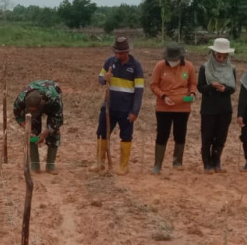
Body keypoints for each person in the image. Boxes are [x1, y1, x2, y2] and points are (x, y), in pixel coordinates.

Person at [93, 36, 144, 175]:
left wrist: (135, 111)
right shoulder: (109, 62)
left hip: (126, 109)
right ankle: (99, 162)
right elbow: (100, 79)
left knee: (126, 136)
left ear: (127, 52)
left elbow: (139, 90)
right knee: (101, 133)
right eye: (116, 52)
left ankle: (123, 165)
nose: (117, 55)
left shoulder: (136, 66)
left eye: (120, 53)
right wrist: (104, 79)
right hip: (109, 106)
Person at [149, 43, 198, 174]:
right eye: (170, 60)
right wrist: (163, 96)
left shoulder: (189, 66)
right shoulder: (160, 66)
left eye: (175, 60)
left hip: (183, 107)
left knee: (180, 133)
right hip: (163, 107)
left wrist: (192, 94)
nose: (173, 62)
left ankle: (177, 161)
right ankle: (157, 164)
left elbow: (193, 83)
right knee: (162, 134)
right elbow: (153, 85)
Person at [197, 38, 237, 174]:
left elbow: (233, 88)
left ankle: (217, 162)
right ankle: (207, 164)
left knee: (221, 137)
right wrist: (210, 86)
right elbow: (200, 87)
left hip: (225, 108)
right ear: (213, 54)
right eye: (218, 55)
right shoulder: (205, 68)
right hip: (208, 108)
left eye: (224, 56)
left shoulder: (231, 69)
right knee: (207, 137)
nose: (221, 58)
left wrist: (224, 89)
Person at [13, 80, 64, 175]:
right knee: (32, 133)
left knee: (54, 132)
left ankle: (50, 165)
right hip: (37, 99)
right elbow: (18, 115)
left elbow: (57, 118)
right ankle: (35, 166)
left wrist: (45, 134)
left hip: (51, 105)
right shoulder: (21, 99)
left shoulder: (54, 99)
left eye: (35, 110)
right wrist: (27, 128)